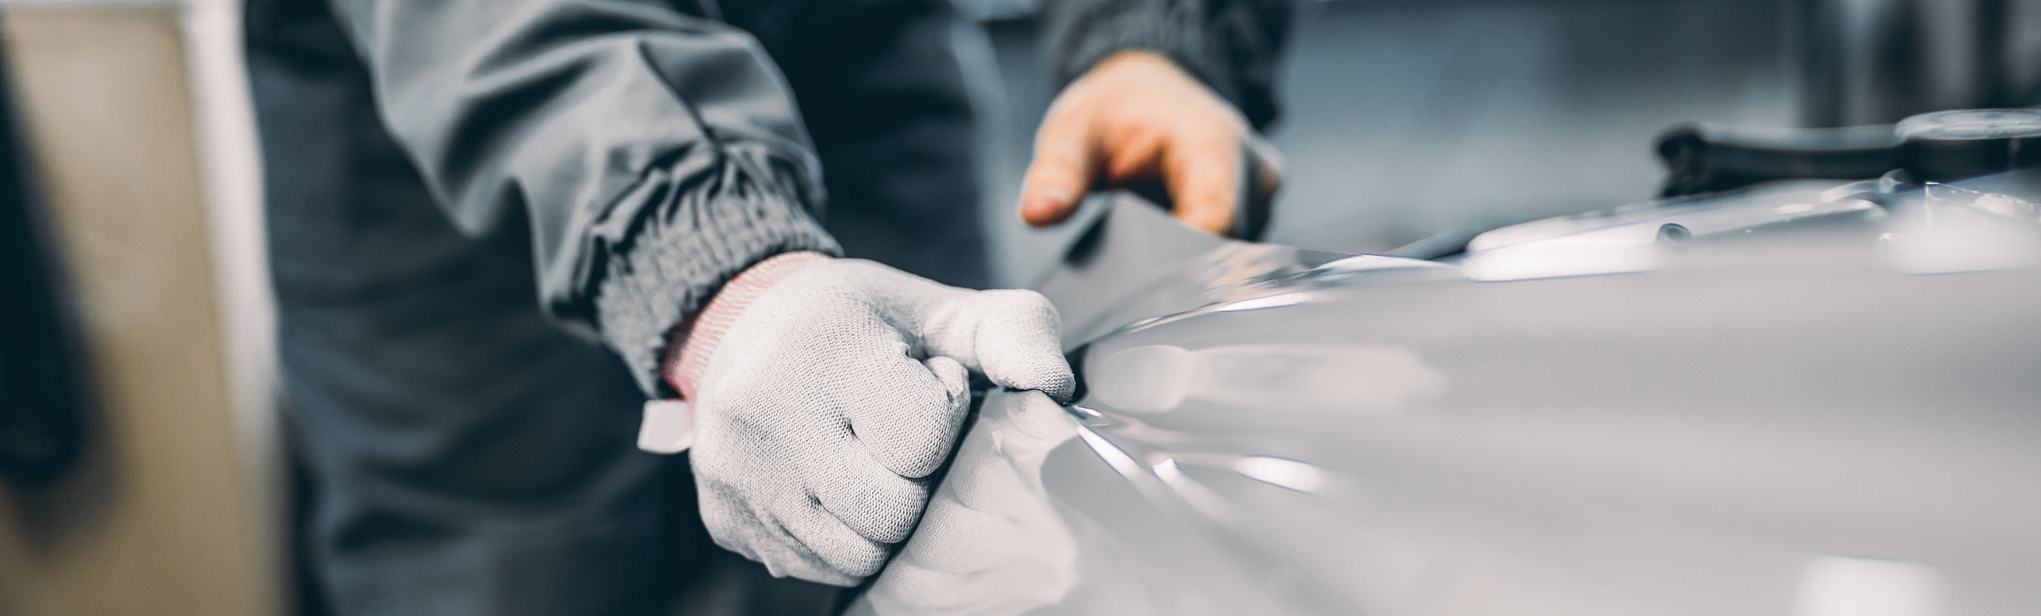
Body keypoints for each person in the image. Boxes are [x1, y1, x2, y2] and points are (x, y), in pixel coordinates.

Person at [243, 0, 1288, 612]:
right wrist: (712, 262)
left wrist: (1155, 38)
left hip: (856, 62)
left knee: (934, 521)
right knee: (513, 576)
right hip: (459, 134)